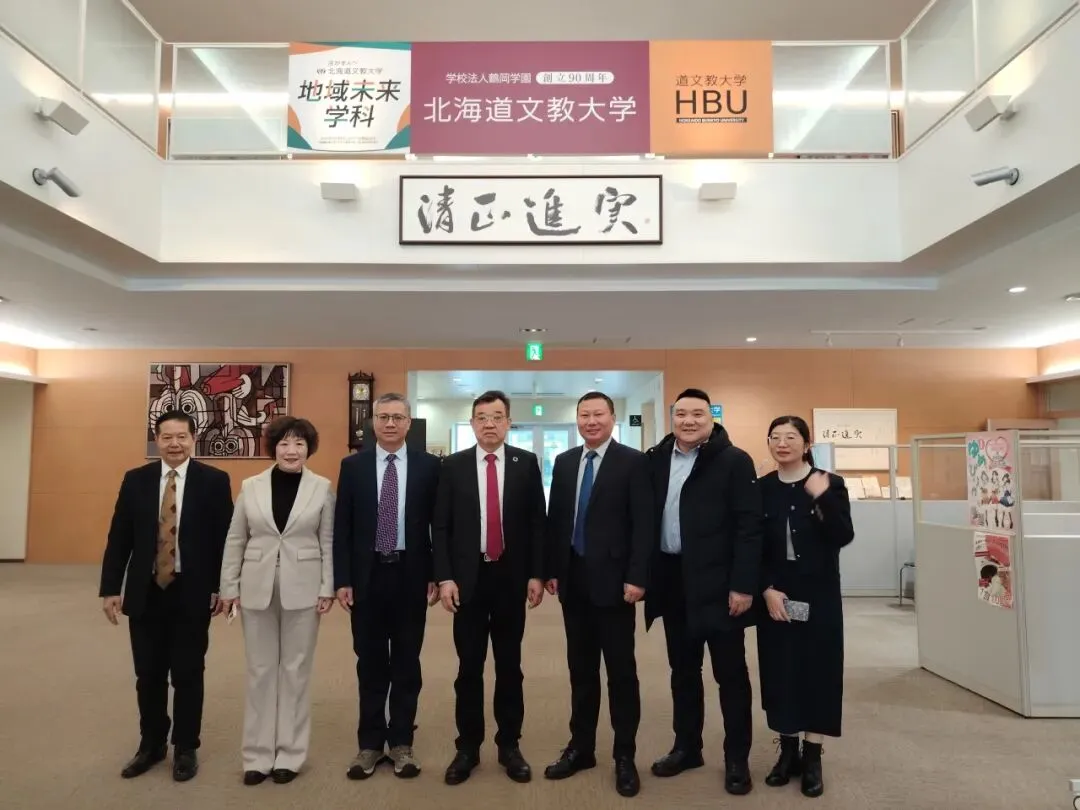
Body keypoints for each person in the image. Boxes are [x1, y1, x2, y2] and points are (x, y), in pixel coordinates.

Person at [99, 409, 233, 782]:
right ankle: (152, 743)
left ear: (194, 439)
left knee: (188, 672)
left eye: (181, 437)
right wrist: (110, 588)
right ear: (157, 440)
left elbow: (225, 539)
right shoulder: (136, 480)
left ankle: (186, 746)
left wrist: (223, 587)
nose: (175, 444)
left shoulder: (214, 481)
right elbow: (119, 536)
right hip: (145, 592)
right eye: (167, 437)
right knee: (148, 673)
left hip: (192, 591)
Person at [643, 389, 763, 796]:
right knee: (683, 672)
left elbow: (749, 528)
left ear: (710, 418)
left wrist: (743, 585)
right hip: (672, 582)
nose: (689, 421)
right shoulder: (657, 459)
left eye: (697, 414)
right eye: (681, 414)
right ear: (672, 418)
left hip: (719, 586)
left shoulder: (733, 461)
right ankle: (687, 748)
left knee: (730, 676)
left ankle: (737, 758)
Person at [432, 390, 546, 786]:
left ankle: (509, 745)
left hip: (511, 578)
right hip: (468, 580)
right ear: (472, 423)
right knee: (469, 667)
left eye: (497, 417)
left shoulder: (525, 463)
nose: (490, 424)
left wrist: (536, 573)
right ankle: (467, 747)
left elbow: (537, 522)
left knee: (510, 666)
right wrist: (445, 577)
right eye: (482, 417)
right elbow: (441, 526)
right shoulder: (454, 466)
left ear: (509, 422)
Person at [543, 391, 653, 797]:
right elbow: (557, 519)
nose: (591, 421)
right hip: (574, 583)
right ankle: (582, 748)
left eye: (598, 414)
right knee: (581, 671)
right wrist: (552, 569)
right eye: (584, 415)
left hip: (616, 585)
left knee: (621, 674)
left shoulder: (633, 462)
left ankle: (624, 755)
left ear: (612, 418)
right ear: (577, 420)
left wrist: (638, 577)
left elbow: (644, 524)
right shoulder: (565, 461)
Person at [218, 416, 335, 785]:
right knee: (260, 671)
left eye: (299, 443)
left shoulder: (322, 488)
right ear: (273, 448)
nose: (291, 450)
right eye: (284, 443)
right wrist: (229, 587)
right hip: (256, 586)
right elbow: (236, 538)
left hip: (305, 588)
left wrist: (327, 587)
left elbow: (328, 541)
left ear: (309, 448)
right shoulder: (250, 487)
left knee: (295, 671)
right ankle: (256, 756)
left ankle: (290, 754)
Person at [333, 394, 441, 780]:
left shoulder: (430, 467)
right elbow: (342, 527)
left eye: (398, 417)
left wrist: (437, 573)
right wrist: (342, 579)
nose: (390, 423)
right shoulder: (353, 466)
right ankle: (369, 743)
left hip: (411, 575)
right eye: (383, 417)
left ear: (409, 423)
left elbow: (439, 525)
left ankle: (401, 743)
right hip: (367, 577)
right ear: (373, 422)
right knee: (371, 662)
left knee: (407, 663)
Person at [757, 415, 853, 799]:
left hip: (819, 593)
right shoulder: (761, 488)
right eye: (775, 437)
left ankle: (813, 756)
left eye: (791, 437)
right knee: (781, 670)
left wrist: (821, 496)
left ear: (806, 443)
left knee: (818, 671)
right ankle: (787, 752)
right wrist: (765, 588)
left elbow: (842, 535)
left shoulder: (830, 483)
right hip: (776, 592)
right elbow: (751, 545)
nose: (782, 444)